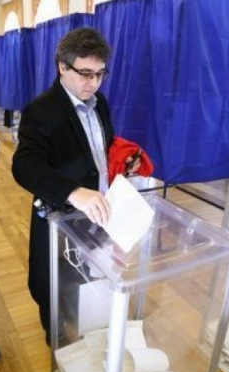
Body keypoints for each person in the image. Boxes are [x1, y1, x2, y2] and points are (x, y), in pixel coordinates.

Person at [12, 28, 141, 344]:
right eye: (85, 73)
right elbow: (25, 166)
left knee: (91, 282)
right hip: (60, 217)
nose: (93, 82)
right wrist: (73, 191)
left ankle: (88, 333)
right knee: (54, 288)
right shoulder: (40, 110)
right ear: (62, 67)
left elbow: (100, 148)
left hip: (98, 216)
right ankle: (57, 340)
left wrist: (121, 163)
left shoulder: (100, 103)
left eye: (100, 74)